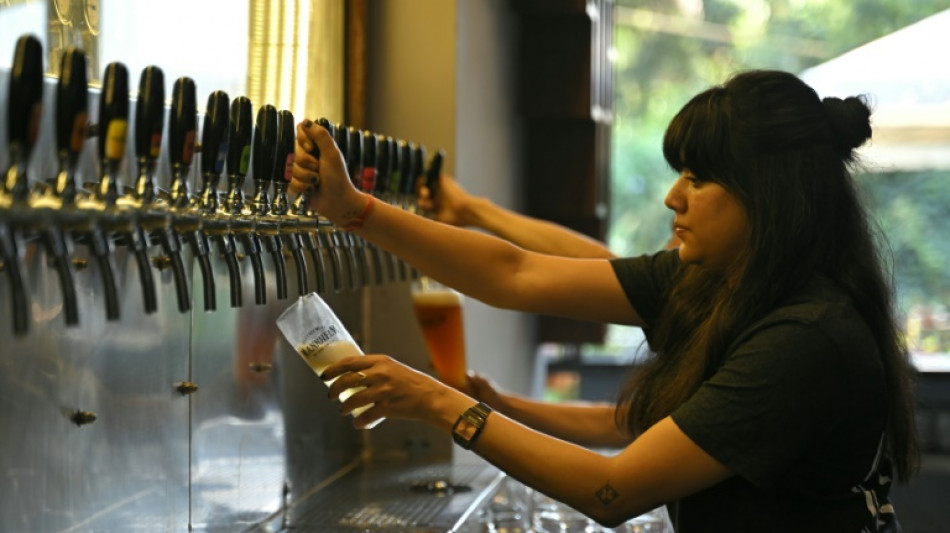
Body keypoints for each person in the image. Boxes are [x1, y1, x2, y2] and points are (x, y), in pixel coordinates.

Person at [290, 69, 918, 532]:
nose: (674, 198)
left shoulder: (806, 338)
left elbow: (611, 493)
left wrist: (438, 402)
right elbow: (515, 274)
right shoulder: (728, 280)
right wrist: (357, 211)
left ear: (770, 195)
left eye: (697, 179)